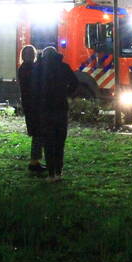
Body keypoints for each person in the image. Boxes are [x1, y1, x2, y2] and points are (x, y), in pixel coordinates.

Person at [32, 46, 78, 181]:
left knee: (48, 142)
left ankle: (51, 173)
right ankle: (59, 171)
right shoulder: (64, 67)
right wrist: (66, 94)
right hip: (61, 108)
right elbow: (75, 83)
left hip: (45, 109)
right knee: (59, 142)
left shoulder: (39, 68)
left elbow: (34, 87)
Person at [17, 45, 45, 173]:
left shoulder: (22, 68)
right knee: (38, 132)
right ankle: (34, 162)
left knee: (36, 132)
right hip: (34, 104)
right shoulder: (28, 68)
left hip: (29, 104)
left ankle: (35, 161)